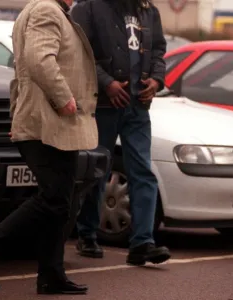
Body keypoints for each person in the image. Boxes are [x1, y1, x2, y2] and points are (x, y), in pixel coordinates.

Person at [0, 0, 98, 295]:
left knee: (61, 201)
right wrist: (64, 98)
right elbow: (38, 59)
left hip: (54, 122)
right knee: (54, 198)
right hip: (48, 120)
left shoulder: (50, 12)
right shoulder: (46, 11)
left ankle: (51, 275)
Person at [71, 0, 171, 265]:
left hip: (138, 106)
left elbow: (159, 50)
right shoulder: (90, 7)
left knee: (143, 172)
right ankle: (86, 233)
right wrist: (108, 84)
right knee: (97, 171)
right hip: (103, 105)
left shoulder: (148, 10)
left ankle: (142, 244)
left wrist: (157, 80)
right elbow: (80, 53)